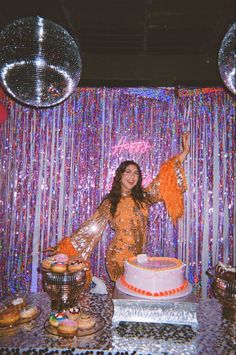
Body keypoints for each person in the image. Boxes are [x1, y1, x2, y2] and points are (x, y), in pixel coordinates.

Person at [50, 133, 190, 281]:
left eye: (136, 173)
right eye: (128, 172)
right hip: (119, 257)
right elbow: (90, 229)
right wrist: (67, 250)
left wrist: (184, 152)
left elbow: (165, 178)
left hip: (140, 257)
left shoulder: (143, 197)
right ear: (120, 175)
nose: (132, 177)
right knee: (125, 294)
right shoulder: (111, 201)